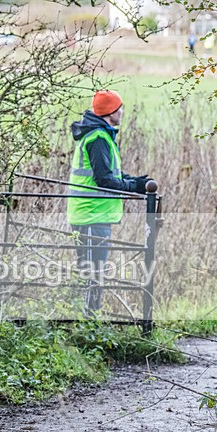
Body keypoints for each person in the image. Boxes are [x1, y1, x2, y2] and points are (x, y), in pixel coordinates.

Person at [66, 90, 152, 316]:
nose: (122, 112)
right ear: (110, 113)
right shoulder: (98, 139)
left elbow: (111, 173)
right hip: (91, 215)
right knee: (94, 272)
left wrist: (135, 181)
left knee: (93, 271)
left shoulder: (99, 135)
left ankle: (88, 320)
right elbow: (104, 180)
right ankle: (88, 322)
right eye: (119, 108)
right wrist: (135, 188)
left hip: (92, 214)